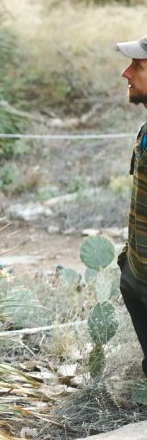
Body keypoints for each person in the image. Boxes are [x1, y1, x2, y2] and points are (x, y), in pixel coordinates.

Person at [117, 34, 147, 377]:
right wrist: (128, 265)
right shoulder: (144, 130)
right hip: (137, 276)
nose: (126, 73)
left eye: (137, 66)